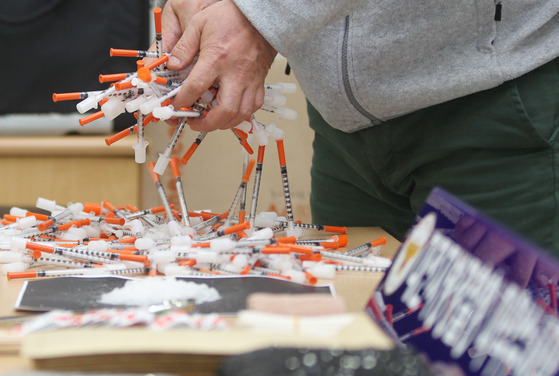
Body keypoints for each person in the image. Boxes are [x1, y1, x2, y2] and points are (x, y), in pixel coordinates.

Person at [159, 0, 559, 261]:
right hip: (343, 132)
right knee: (355, 349)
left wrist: (262, 14)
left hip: (490, 109)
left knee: (489, 358)